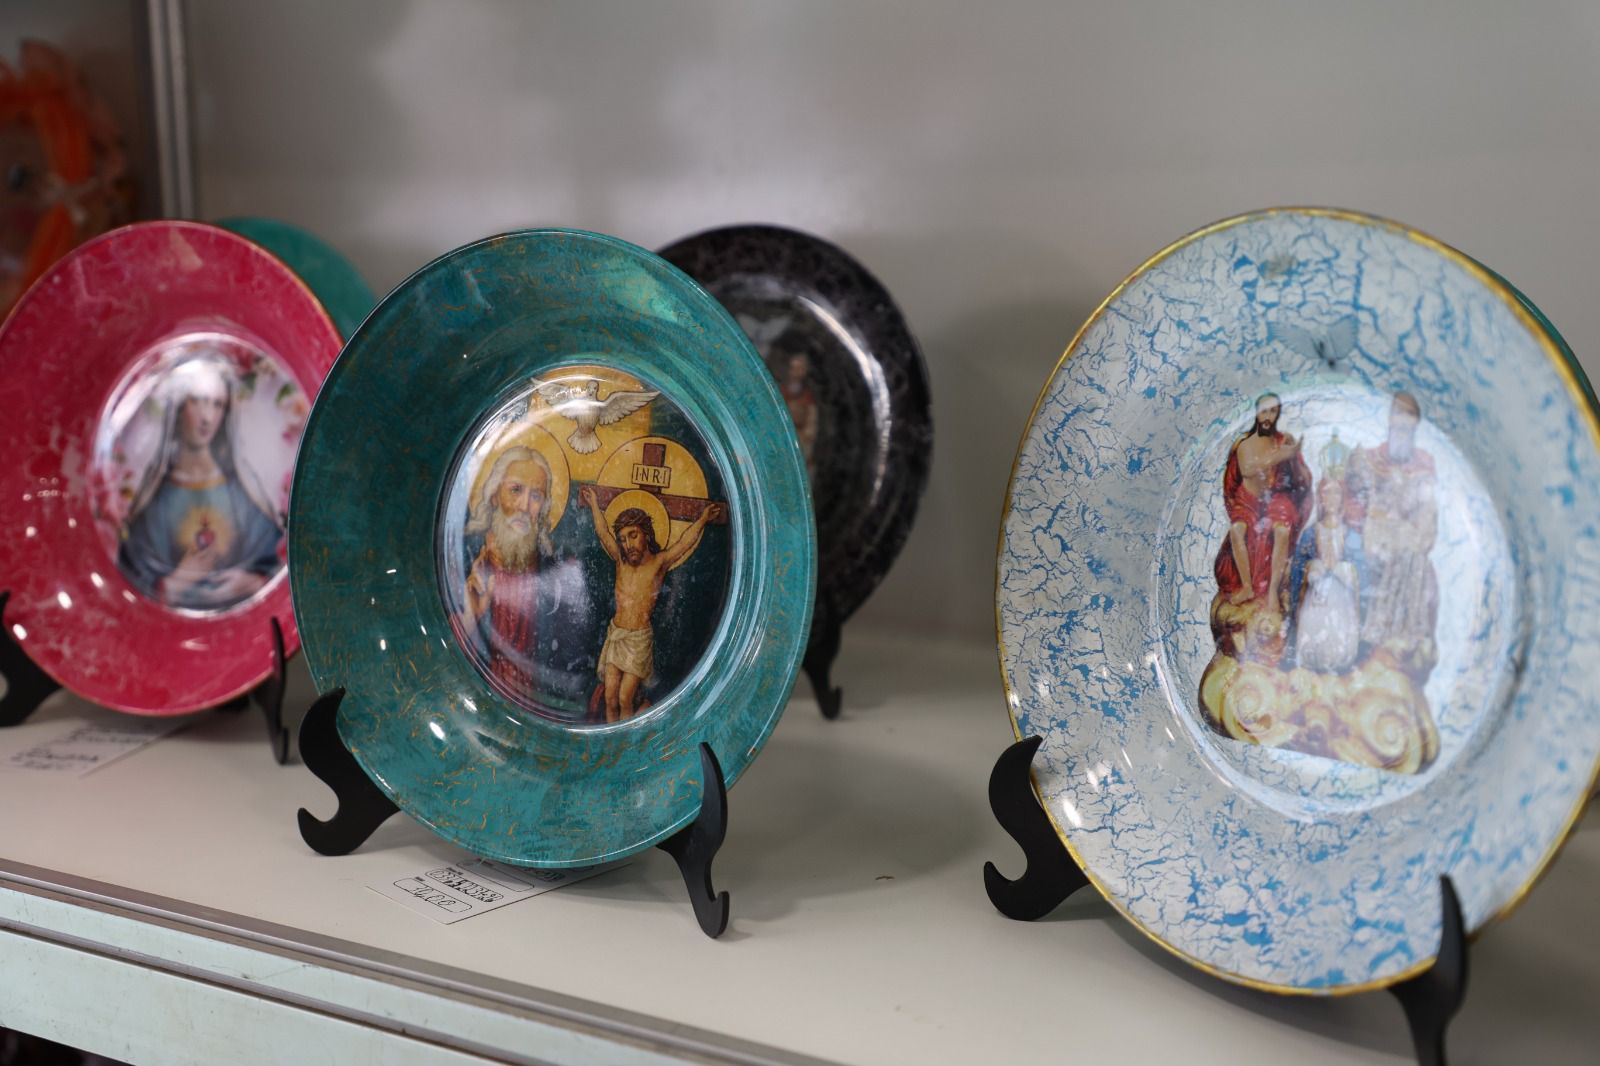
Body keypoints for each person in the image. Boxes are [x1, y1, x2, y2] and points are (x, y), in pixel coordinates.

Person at [118, 356, 281, 610]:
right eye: (198, 401)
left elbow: (276, 562)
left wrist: (251, 583)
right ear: (179, 407)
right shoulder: (156, 500)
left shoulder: (239, 490)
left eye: (217, 405)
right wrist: (177, 583)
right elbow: (131, 574)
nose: (207, 418)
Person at [581, 486, 724, 722]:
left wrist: (702, 519)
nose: (628, 544)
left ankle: (627, 738)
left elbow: (684, 543)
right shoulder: (621, 562)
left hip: (638, 640)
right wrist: (595, 504)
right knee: (610, 697)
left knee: (625, 697)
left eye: (633, 535)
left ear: (646, 534)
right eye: (623, 539)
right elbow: (603, 532)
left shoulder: (659, 563)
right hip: (616, 636)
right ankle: (612, 739)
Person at [1210, 393, 1313, 664]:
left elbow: (1299, 476)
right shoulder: (1245, 444)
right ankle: (1246, 586)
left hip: (1275, 497)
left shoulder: (1282, 440)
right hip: (1248, 499)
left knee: (1281, 530)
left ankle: (1272, 592)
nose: (1268, 417)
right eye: (1264, 412)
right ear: (1256, 413)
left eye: (1273, 412)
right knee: (1238, 530)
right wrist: (1281, 455)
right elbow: (1247, 469)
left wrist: (1292, 459)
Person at [1343, 392, 1439, 680]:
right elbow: (1355, 493)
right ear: (1390, 419)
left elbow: (1428, 509)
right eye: (1398, 414)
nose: (1402, 422)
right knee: (1380, 553)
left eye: (1409, 416)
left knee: (1411, 556)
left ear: (1416, 423)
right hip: (1375, 527)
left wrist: (1418, 536)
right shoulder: (1371, 457)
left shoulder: (1424, 463)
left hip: (1407, 531)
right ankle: (1371, 637)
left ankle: (1399, 642)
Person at [461, 447, 555, 700]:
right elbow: (438, 657)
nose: (524, 506)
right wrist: (471, 617)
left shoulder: (552, 570)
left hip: (533, 702)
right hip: (476, 695)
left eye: (536, 496)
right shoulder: (466, 557)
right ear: (494, 495)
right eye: (515, 490)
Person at [1293, 478, 1360, 673]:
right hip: (1315, 602)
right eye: (1326, 492)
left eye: (1336, 492)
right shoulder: (1310, 534)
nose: (1331, 498)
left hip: (1341, 603)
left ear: (1342, 497)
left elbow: (1360, 575)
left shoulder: (1351, 535)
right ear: (1320, 497)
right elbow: (1298, 572)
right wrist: (1312, 570)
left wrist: (1345, 571)